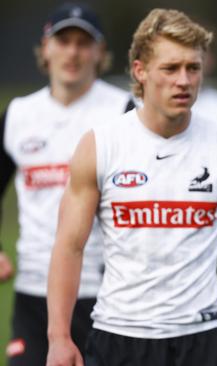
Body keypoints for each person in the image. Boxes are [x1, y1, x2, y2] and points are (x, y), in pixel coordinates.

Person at [45, 9, 217, 366]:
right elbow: (69, 247)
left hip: (202, 338)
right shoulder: (101, 145)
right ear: (140, 71)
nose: (183, 80)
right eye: (170, 68)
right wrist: (58, 337)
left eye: (192, 68)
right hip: (119, 336)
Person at [0, 3, 132, 365]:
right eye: (63, 41)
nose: (72, 52)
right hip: (34, 291)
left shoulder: (122, 111)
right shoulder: (18, 114)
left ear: (100, 52)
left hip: (105, 293)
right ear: (45, 47)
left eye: (83, 43)